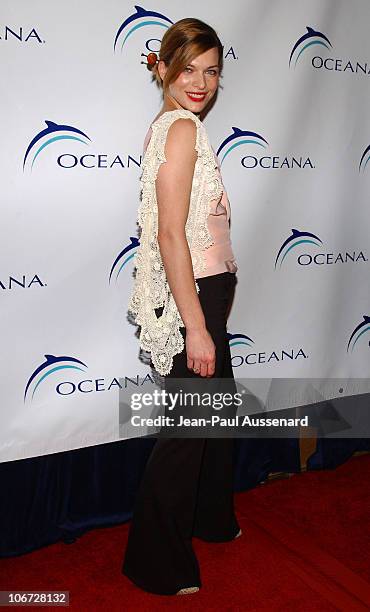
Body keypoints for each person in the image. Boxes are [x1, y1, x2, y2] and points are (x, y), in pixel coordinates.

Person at [122, 17, 241, 596]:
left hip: (205, 291)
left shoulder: (178, 125)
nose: (200, 82)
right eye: (188, 68)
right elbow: (171, 235)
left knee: (212, 417)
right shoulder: (180, 130)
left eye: (211, 70)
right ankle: (153, 561)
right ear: (164, 68)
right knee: (188, 431)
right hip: (192, 296)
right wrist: (197, 327)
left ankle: (211, 519)